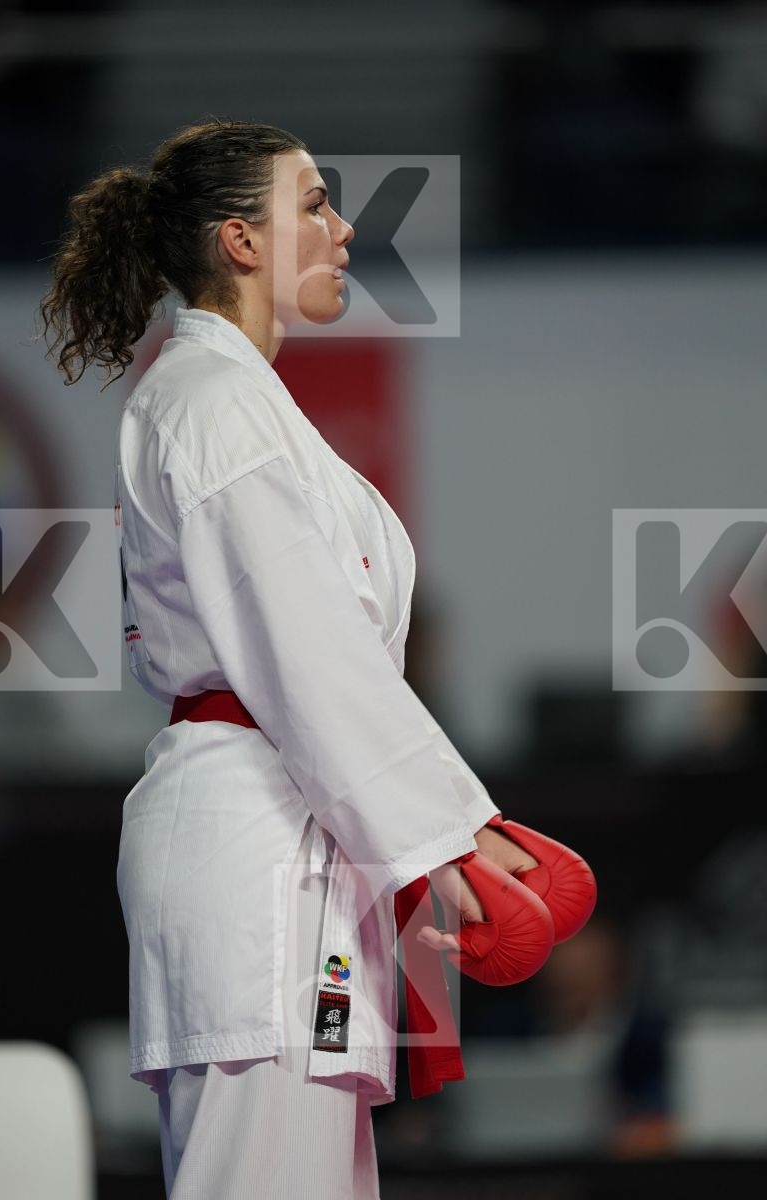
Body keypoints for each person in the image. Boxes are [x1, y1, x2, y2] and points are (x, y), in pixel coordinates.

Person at [39, 118, 577, 1199]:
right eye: (314, 205)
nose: (340, 229)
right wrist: (450, 839)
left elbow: (317, 653)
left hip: (291, 843)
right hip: (257, 853)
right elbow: (308, 649)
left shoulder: (238, 400)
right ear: (241, 241)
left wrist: (445, 830)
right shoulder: (212, 402)